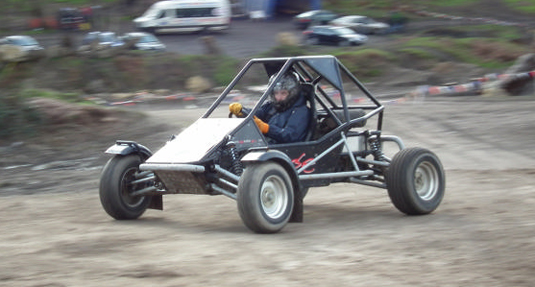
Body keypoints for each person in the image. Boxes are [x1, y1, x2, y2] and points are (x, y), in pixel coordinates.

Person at [229, 72, 311, 144]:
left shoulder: (301, 111)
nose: (278, 97)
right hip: (266, 145)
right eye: (276, 93)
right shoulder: (272, 106)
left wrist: (267, 129)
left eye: (283, 93)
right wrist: (241, 111)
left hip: (282, 151)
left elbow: (291, 136)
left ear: (292, 93)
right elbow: (256, 114)